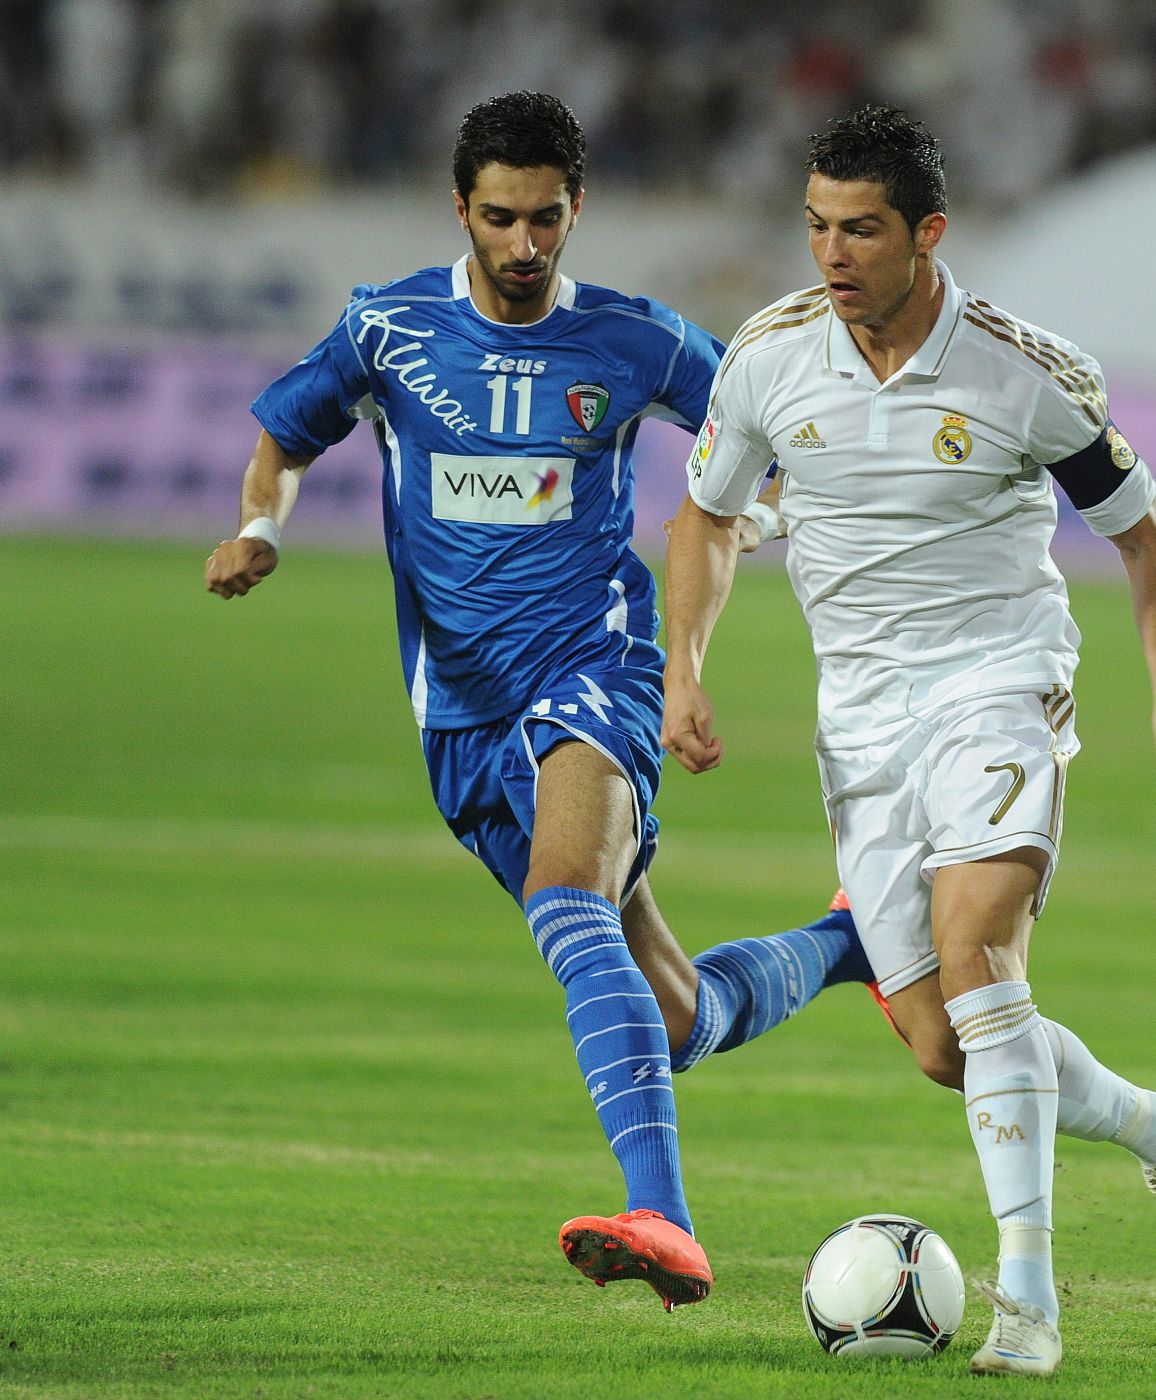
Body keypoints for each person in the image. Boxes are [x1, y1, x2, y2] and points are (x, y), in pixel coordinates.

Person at [203, 90, 871, 1313]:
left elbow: (779, 439)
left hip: (597, 666)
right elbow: (283, 437)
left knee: (569, 897)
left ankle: (663, 1215)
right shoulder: (389, 327)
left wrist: (759, 515)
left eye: (545, 220)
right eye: (500, 218)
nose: (523, 245)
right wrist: (259, 524)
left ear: (577, 212)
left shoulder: (640, 341)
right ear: (461, 209)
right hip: (459, 714)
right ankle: (856, 940)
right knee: (671, 1020)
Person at [662, 105, 1156, 1375]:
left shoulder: (1025, 369)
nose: (831, 253)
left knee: (980, 949)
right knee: (945, 1042)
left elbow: (1144, 536)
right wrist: (683, 673)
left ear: (927, 232)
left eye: (859, 228)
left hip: (998, 686)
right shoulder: (768, 359)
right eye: (814, 225)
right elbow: (703, 519)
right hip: (858, 730)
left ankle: (1025, 1301)